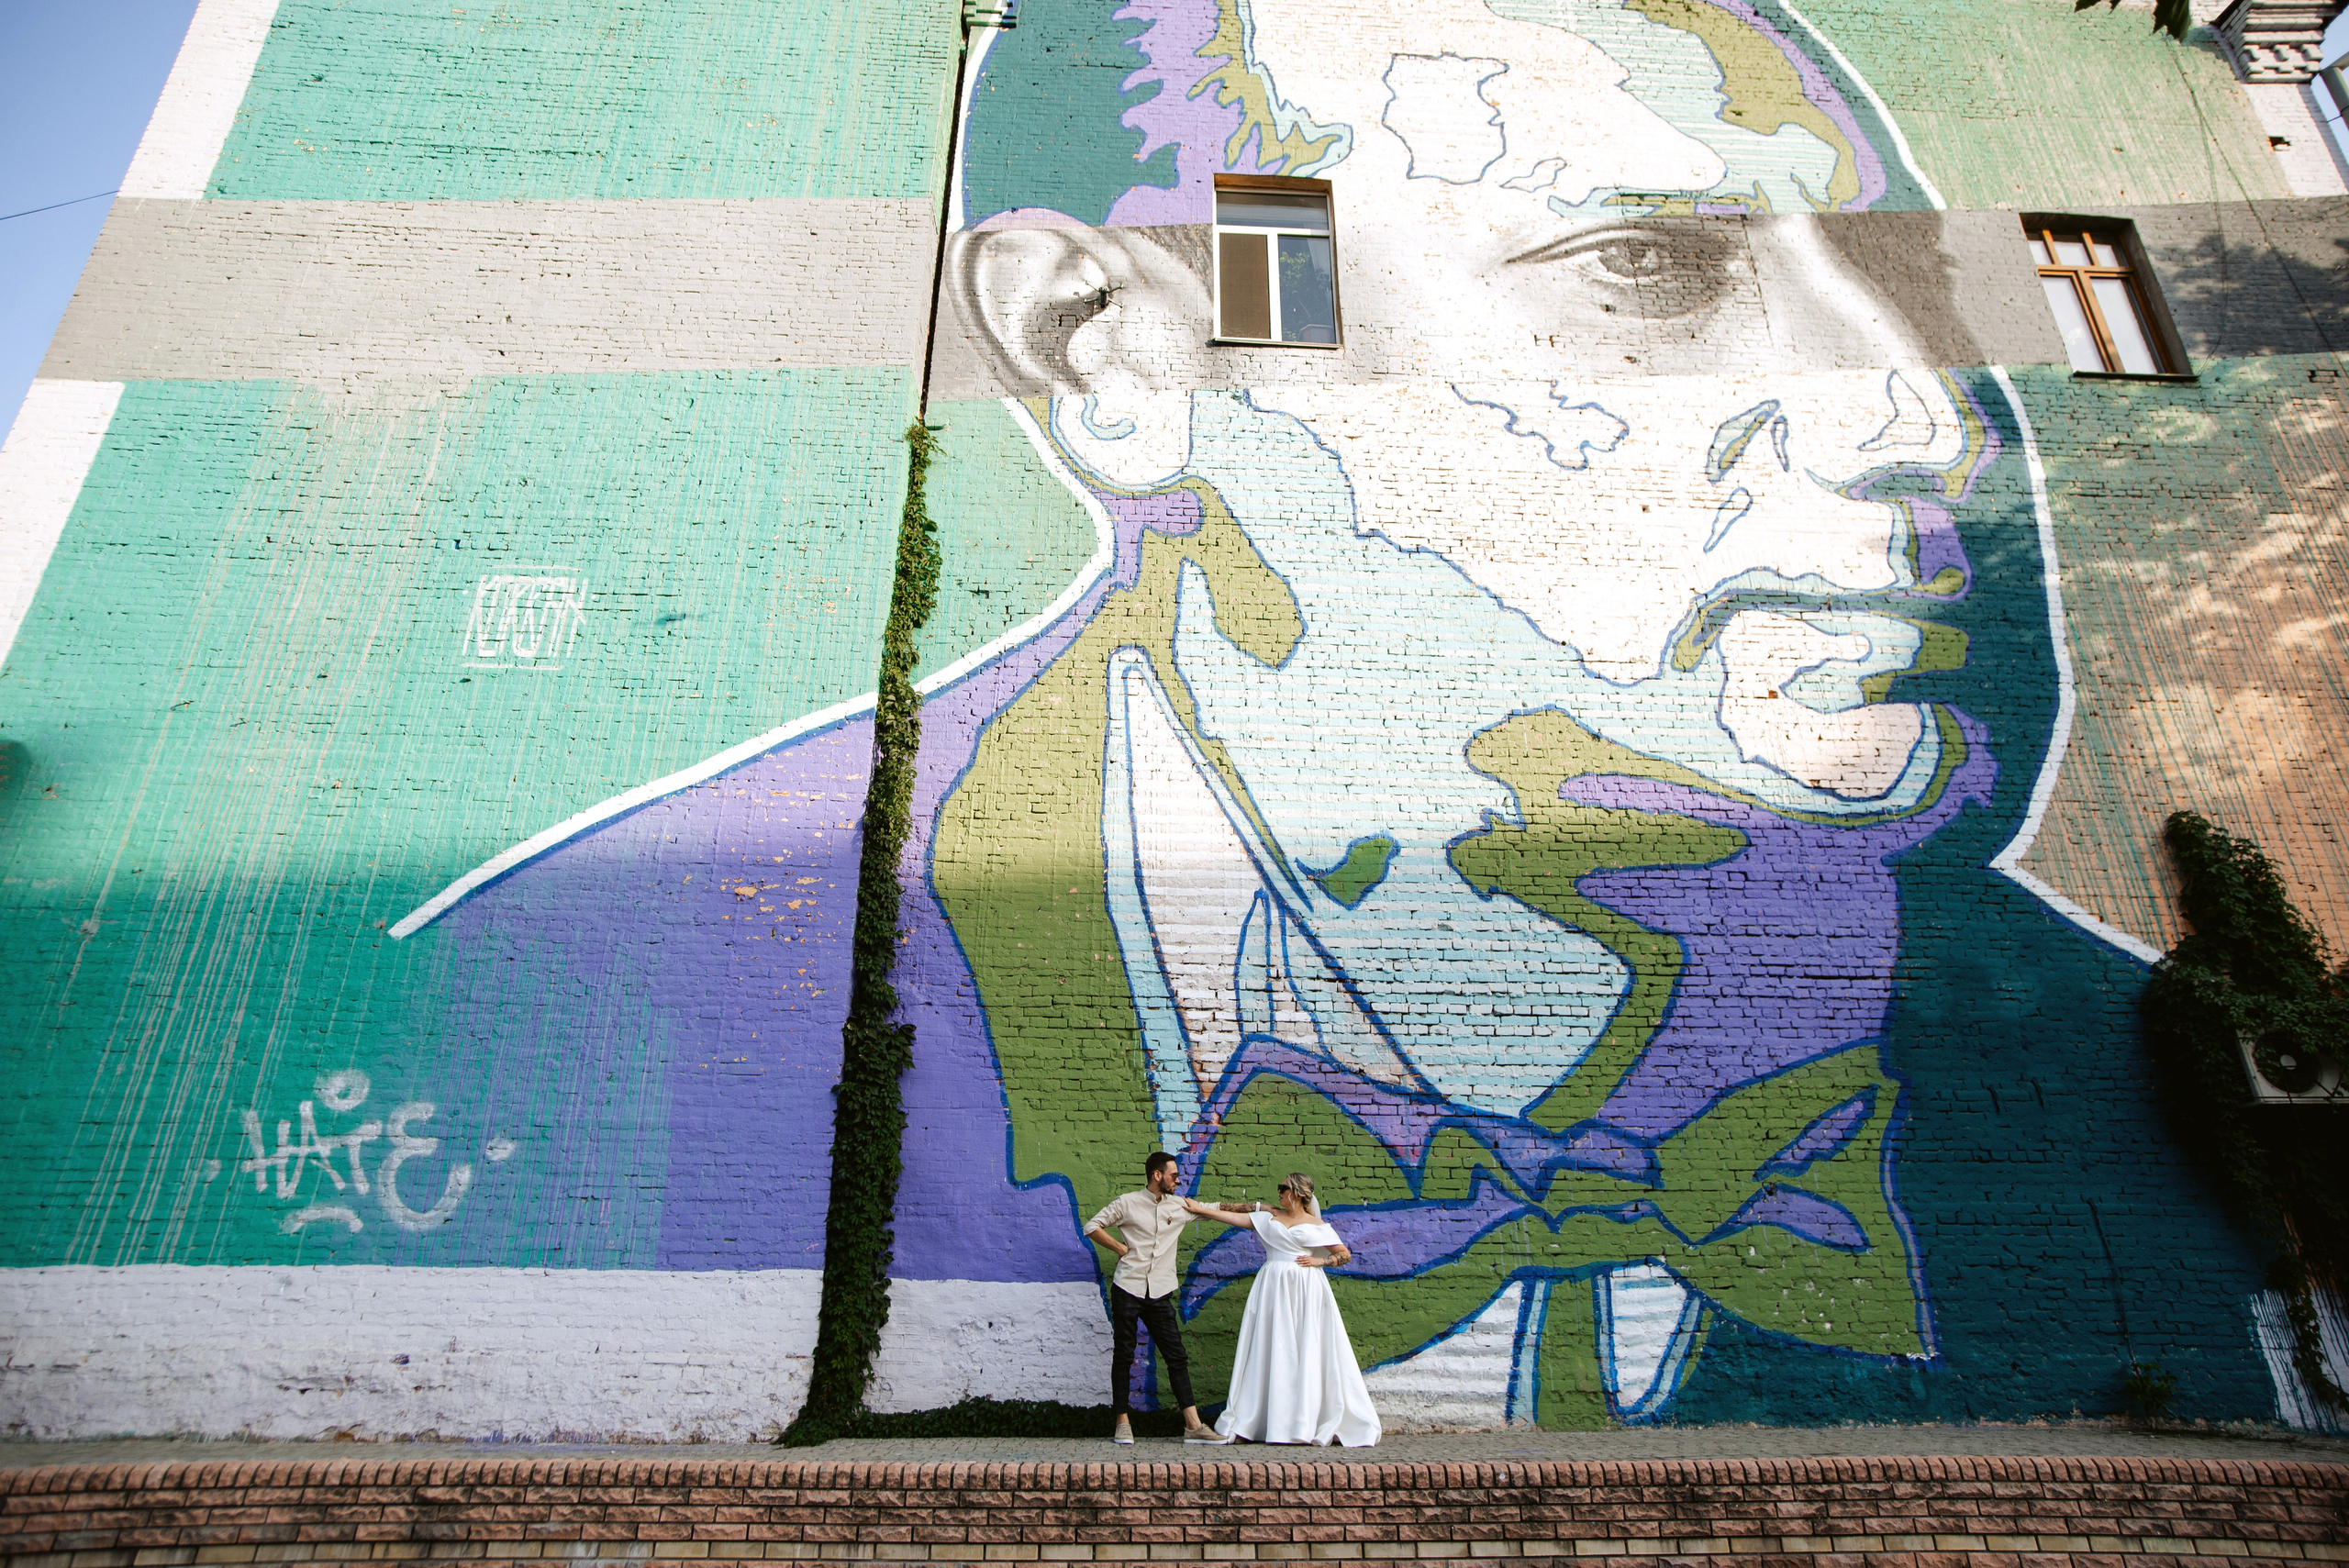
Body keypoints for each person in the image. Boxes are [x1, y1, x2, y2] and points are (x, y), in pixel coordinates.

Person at [929, 0, 2048, 1425]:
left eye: (1907, 281)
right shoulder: (661, 1007)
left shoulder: (2075, 1055)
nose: (1922, 420)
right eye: (1648, 263)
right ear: (1120, 351)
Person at [1182, 1173, 1380, 1447]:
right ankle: (1258, 1421)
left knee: (1304, 1347)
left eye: (1283, 1187)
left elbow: (1345, 1254)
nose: (1278, 1191)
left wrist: (1318, 1260)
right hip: (1272, 1286)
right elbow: (1231, 1216)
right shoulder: (1268, 1217)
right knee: (1270, 1346)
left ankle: (1303, 1421)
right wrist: (1200, 1208)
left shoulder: (1317, 1225)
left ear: (1297, 1193)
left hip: (1306, 1288)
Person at [1084, 1151, 1238, 1444]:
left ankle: (1193, 1426)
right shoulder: (1127, 1202)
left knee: (1176, 1355)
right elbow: (1092, 1226)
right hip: (1128, 1287)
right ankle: (1122, 1423)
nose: (1178, 1180)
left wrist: (1259, 1207)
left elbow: (1215, 1208)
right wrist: (1120, 1249)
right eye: (1174, 1175)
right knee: (1124, 1354)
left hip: (1159, 1292)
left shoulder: (1180, 1206)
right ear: (1158, 1175)